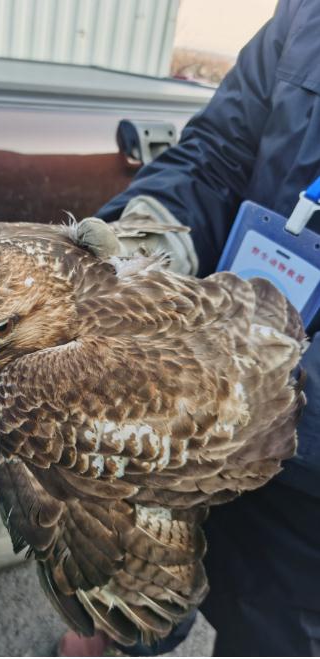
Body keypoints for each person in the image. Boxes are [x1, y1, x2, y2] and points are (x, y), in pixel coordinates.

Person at [59, 0, 320, 655]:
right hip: (194, 409)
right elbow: (216, 153)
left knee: (268, 635)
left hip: (303, 487)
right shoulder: (305, 15)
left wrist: (265, 389)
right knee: (117, 596)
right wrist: (139, 240)